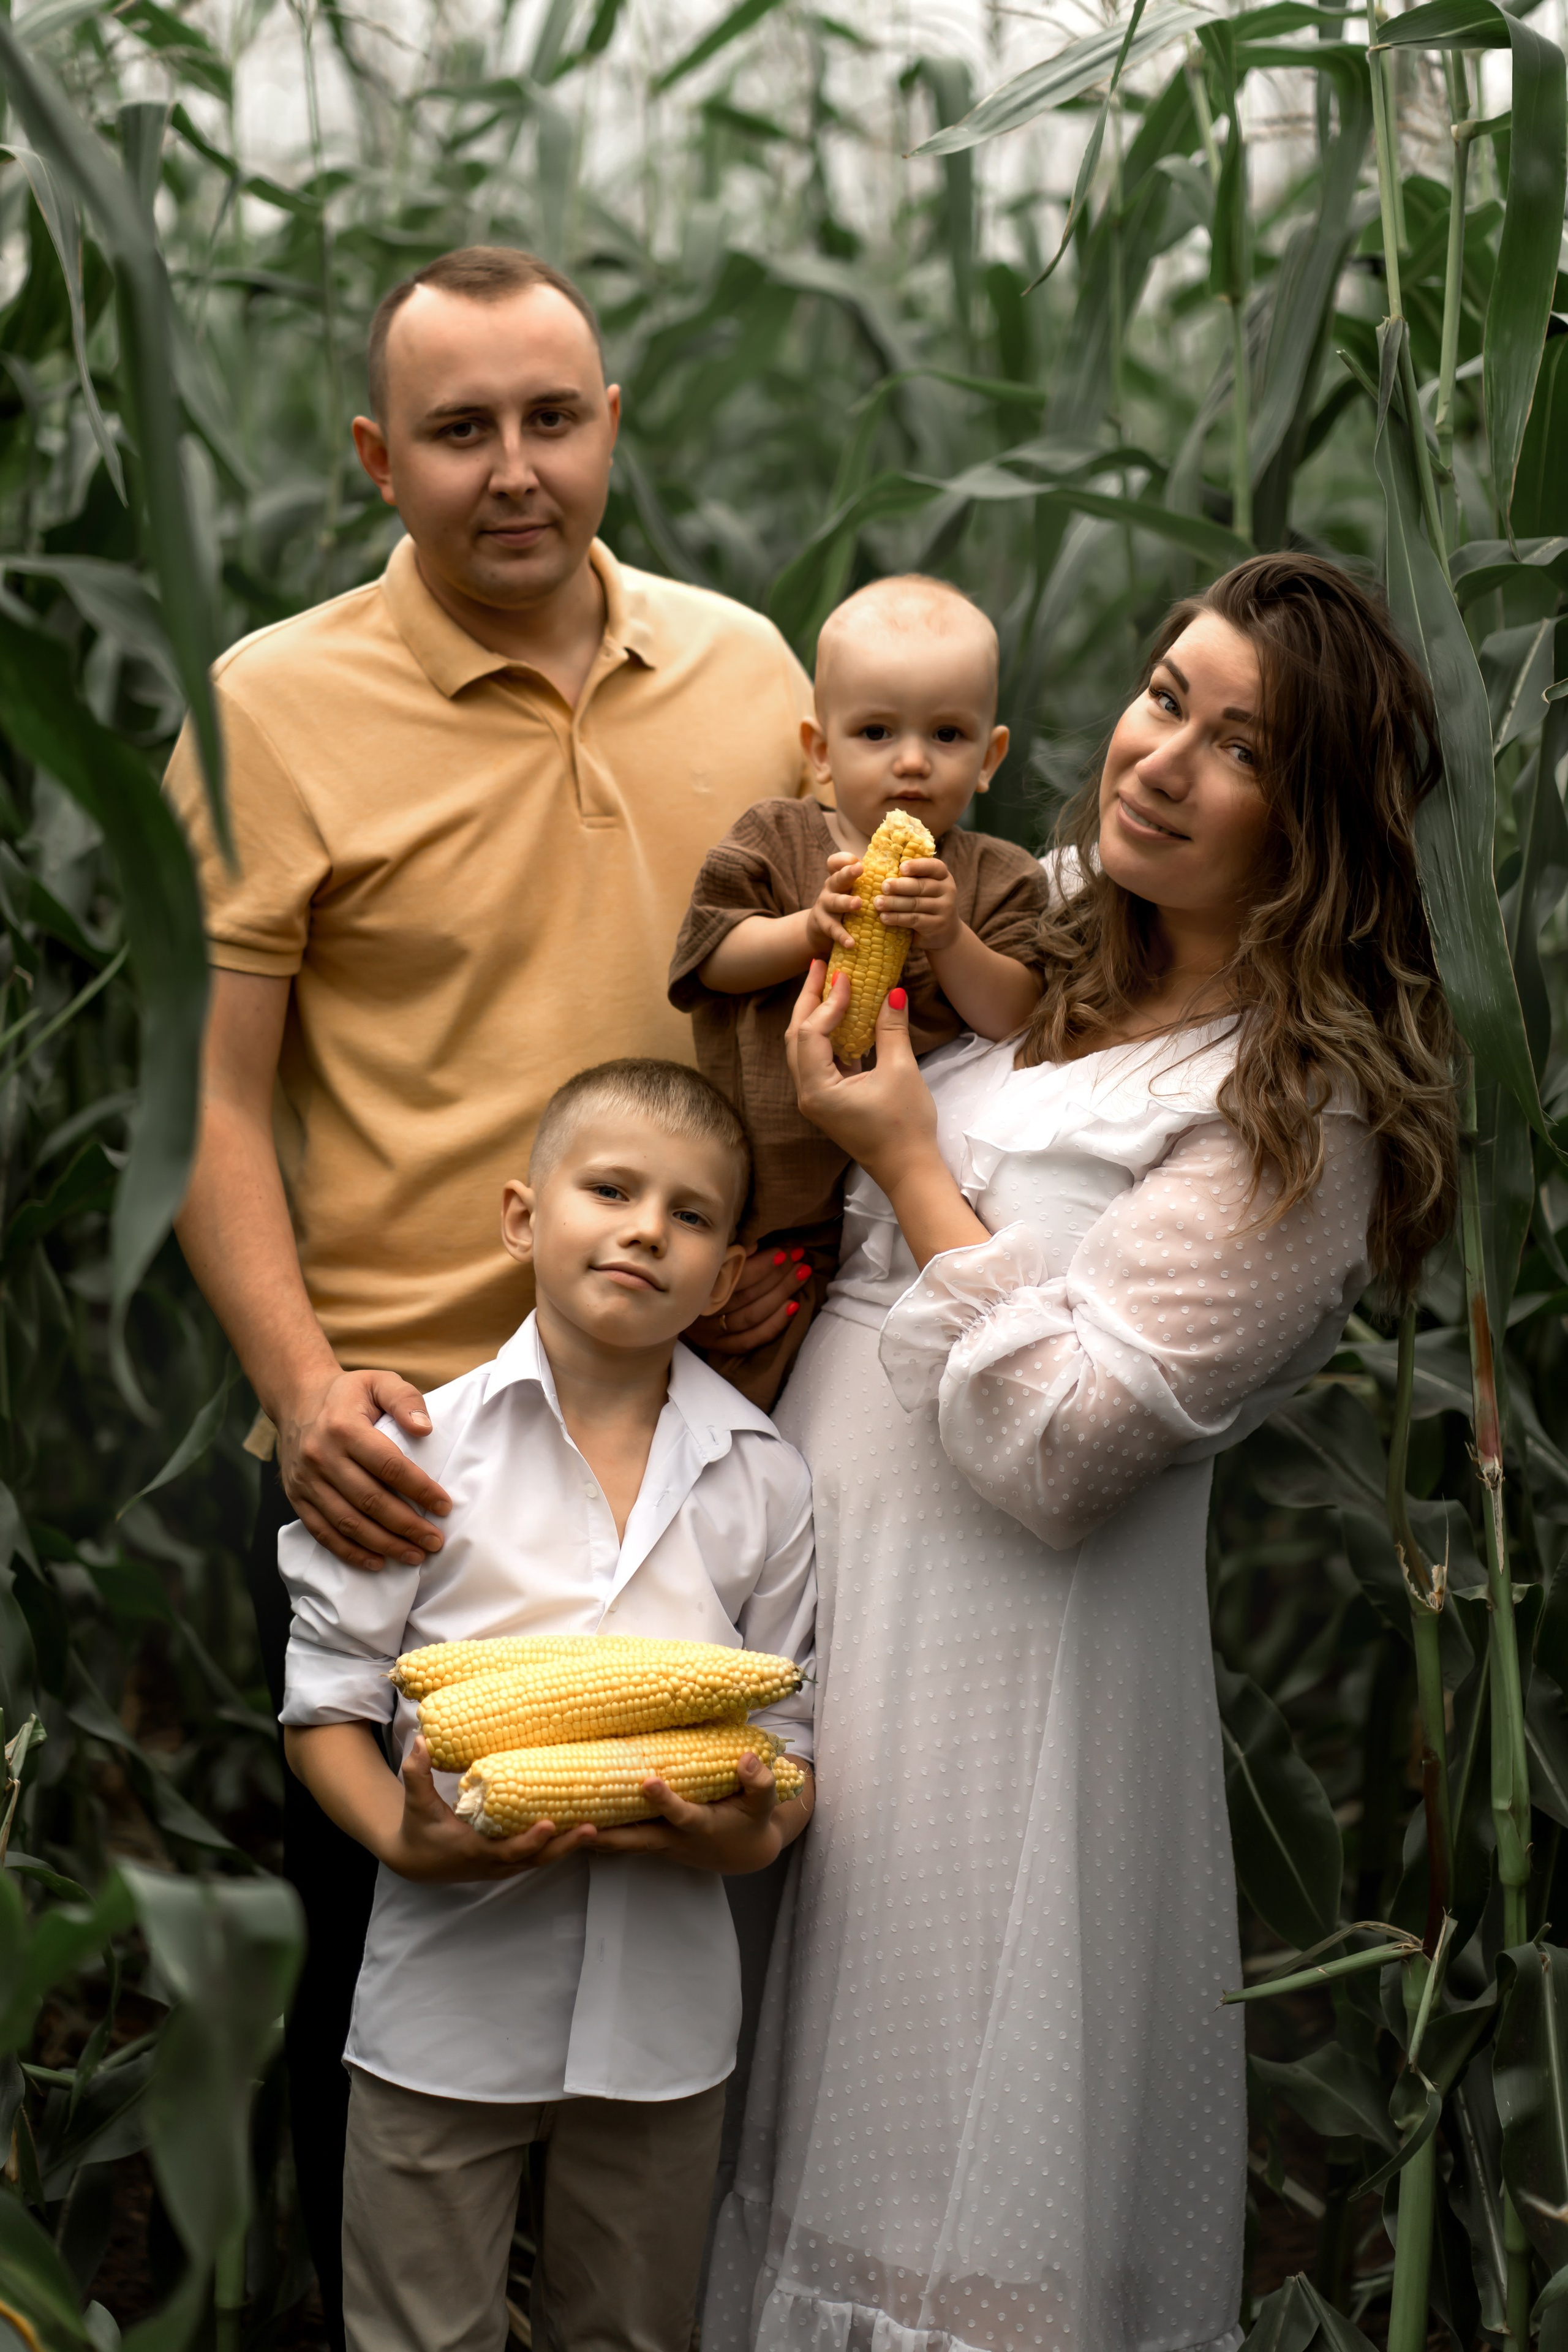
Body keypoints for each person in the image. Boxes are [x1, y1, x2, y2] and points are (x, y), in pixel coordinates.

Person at [165, 245, 818, 2339]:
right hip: (409, 1458)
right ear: (380, 457)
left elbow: (824, 1007)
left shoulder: (748, 675)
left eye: (552, 418)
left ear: (613, 425)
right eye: (459, 431)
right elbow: (209, 1102)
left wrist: (801, 1270)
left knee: (670, 2015)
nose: (513, 468)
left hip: (691, 1445)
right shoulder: (273, 708)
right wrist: (301, 1393)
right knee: (388, 2012)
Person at [704, 553, 1459, 2352]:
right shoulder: (1034, 926)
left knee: (931, 2150)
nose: (1161, 759)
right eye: (1163, 696)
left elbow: (1068, 1449)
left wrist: (905, 1162)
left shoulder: (1293, 1104)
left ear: (1318, 827)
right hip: (819, 1619)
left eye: (1240, 749)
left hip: (1004, 1678)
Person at [281, 1058, 816, 2352]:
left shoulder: (766, 1479)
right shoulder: (416, 1453)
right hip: (441, 2002)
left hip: (665, 2027)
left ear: (729, 1273)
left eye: (692, 1215)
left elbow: (787, 1746)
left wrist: (744, 1831)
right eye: (611, 1191)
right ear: (523, 1218)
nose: (647, 1230)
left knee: (630, 2333)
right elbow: (326, 1710)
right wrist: (404, 1838)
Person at [669, 575, 1048, 1407]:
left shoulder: (1001, 879)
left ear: (990, 758)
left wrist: (950, 937)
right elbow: (711, 957)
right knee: (717, 1391)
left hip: (896, 1228)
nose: (912, 760)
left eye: (947, 734)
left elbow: (1015, 1013)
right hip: (759, 1198)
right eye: (876, 732)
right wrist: (807, 929)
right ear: (819, 750)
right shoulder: (773, 837)